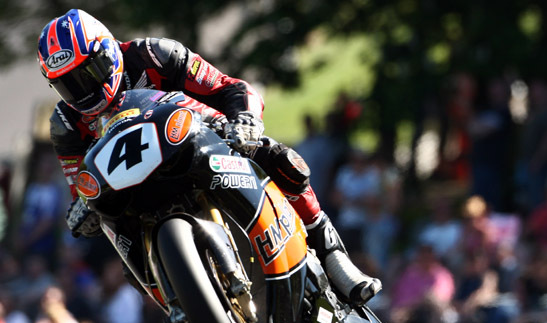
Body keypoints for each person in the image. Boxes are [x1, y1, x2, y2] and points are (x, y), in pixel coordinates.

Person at [37, 9, 380, 306]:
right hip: (135, 192)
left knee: (276, 156)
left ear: (108, 50)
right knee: (118, 248)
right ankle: (179, 307)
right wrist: (83, 210)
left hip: (199, 142)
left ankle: (330, 250)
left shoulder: (154, 55)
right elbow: (82, 184)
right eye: (69, 84)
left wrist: (244, 119)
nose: (84, 90)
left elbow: (229, 87)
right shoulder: (66, 124)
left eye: (88, 73)